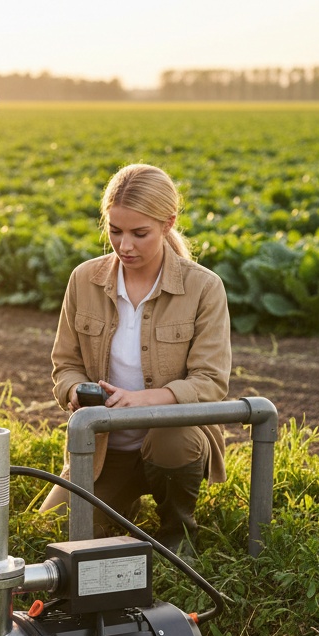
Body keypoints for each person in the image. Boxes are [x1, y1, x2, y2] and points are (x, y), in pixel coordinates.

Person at [41, 163, 231, 551]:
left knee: (171, 435)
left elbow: (210, 382)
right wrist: (76, 390)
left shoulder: (203, 287)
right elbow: (65, 364)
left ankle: (177, 532)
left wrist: (139, 402)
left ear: (168, 223)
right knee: (51, 529)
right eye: (115, 231)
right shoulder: (84, 279)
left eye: (139, 233)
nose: (125, 245)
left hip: (173, 443)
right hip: (106, 449)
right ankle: (119, 497)